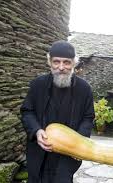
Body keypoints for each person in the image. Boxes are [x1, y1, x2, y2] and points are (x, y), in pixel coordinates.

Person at [20, 40, 95, 183]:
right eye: (56, 62)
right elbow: (27, 111)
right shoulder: (38, 84)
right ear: (49, 62)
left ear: (74, 63)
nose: (61, 67)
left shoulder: (84, 89)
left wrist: (79, 142)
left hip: (68, 154)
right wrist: (36, 130)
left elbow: (88, 117)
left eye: (66, 62)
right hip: (39, 150)